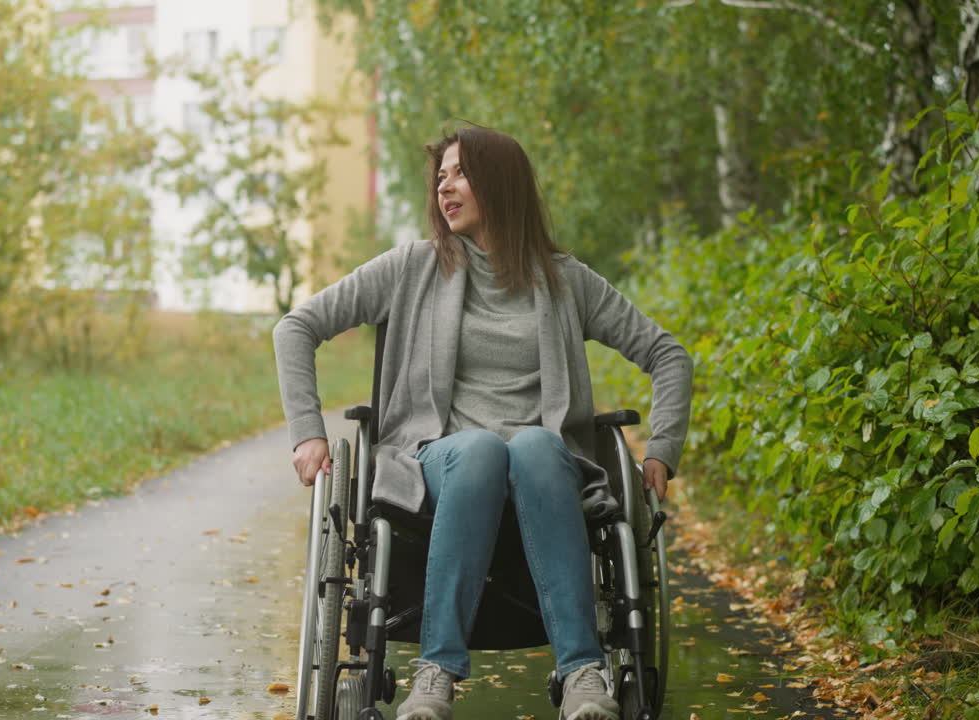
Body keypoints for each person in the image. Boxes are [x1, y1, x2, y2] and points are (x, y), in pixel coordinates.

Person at [273, 125, 693, 720]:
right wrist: (307, 431)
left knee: (538, 446)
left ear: (501, 183)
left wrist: (661, 448)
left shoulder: (566, 281)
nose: (444, 187)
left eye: (460, 173)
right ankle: (436, 671)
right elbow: (296, 327)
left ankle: (583, 674)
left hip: (543, 469)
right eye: (440, 176)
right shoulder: (409, 268)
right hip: (439, 461)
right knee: (479, 451)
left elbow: (668, 354)